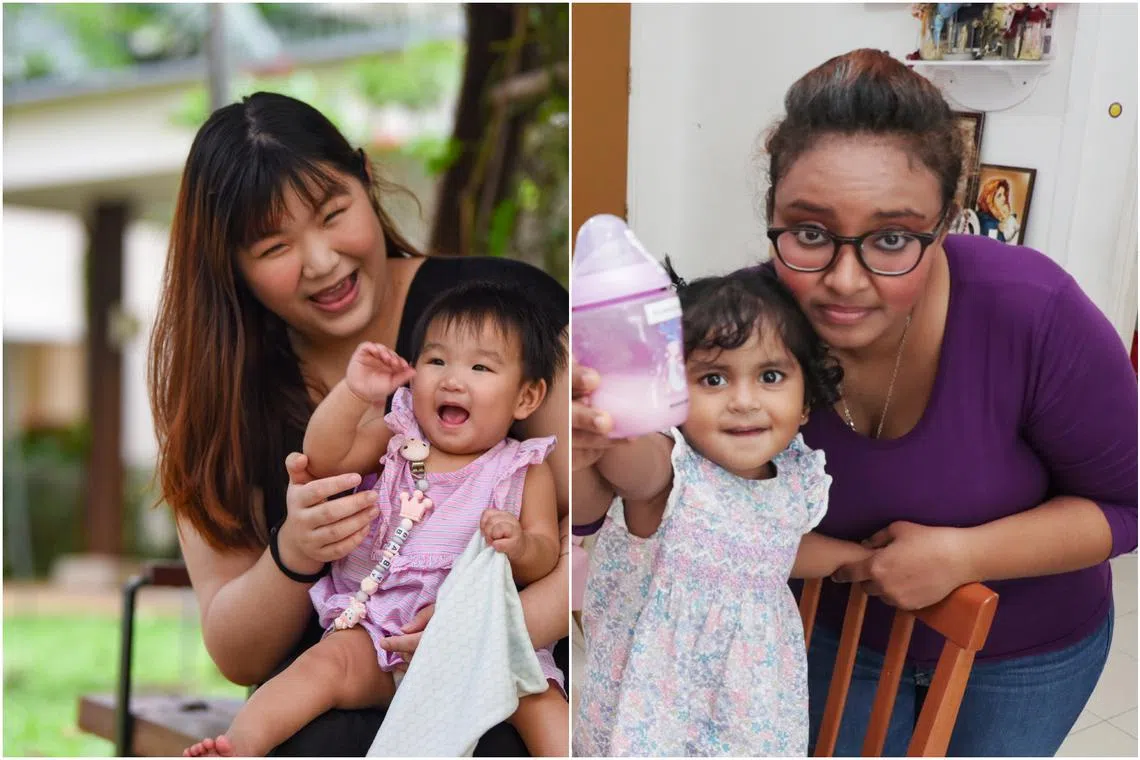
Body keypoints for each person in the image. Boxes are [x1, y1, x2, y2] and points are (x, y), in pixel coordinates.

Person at [573, 49, 1136, 756]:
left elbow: (1127, 503)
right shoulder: (743, 332)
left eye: (892, 239)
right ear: (772, 215)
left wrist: (965, 555)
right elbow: (642, 489)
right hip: (817, 640)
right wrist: (598, 430)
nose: (844, 280)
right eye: (810, 233)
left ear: (948, 222)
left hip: (1023, 653)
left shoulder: (1033, 313)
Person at [150, 91, 570, 755]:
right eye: (275, 246)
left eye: (333, 214)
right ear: (231, 265)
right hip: (341, 682)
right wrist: (296, 550)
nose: (320, 261)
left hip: (501, 671)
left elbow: (598, 524)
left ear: (366, 179)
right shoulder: (218, 394)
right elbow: (236, 652)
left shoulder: (502, 312)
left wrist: (488, 629)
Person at [183, 281, 567, 757]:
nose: (452, 380)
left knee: (541, 701)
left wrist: (520, 545)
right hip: (380, 631)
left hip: (480, 645)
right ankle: (238, 746)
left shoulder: (522, 469)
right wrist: (353, 393)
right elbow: (326, 457)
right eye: (436, 360)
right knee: (322, 667)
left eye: (480, 367)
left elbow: (545, 554)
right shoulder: (399, 438)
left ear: (526, 398)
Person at [574, 265, 875, 756]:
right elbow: (630, 463)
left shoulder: (793, 478)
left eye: (770, 376)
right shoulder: (670, 474)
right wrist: (610, 417)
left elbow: (776, 549)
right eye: (713, 378)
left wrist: (857, 558)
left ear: (805, 400)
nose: (744, 401)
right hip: (656, 719)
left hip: (752, 717)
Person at [974, 177, 1020, 243]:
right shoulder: (990, 225)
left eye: (1004, 194)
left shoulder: (986, 216)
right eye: (999, 196)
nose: (1004, 198)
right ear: (989, 199)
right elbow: (994, 246)